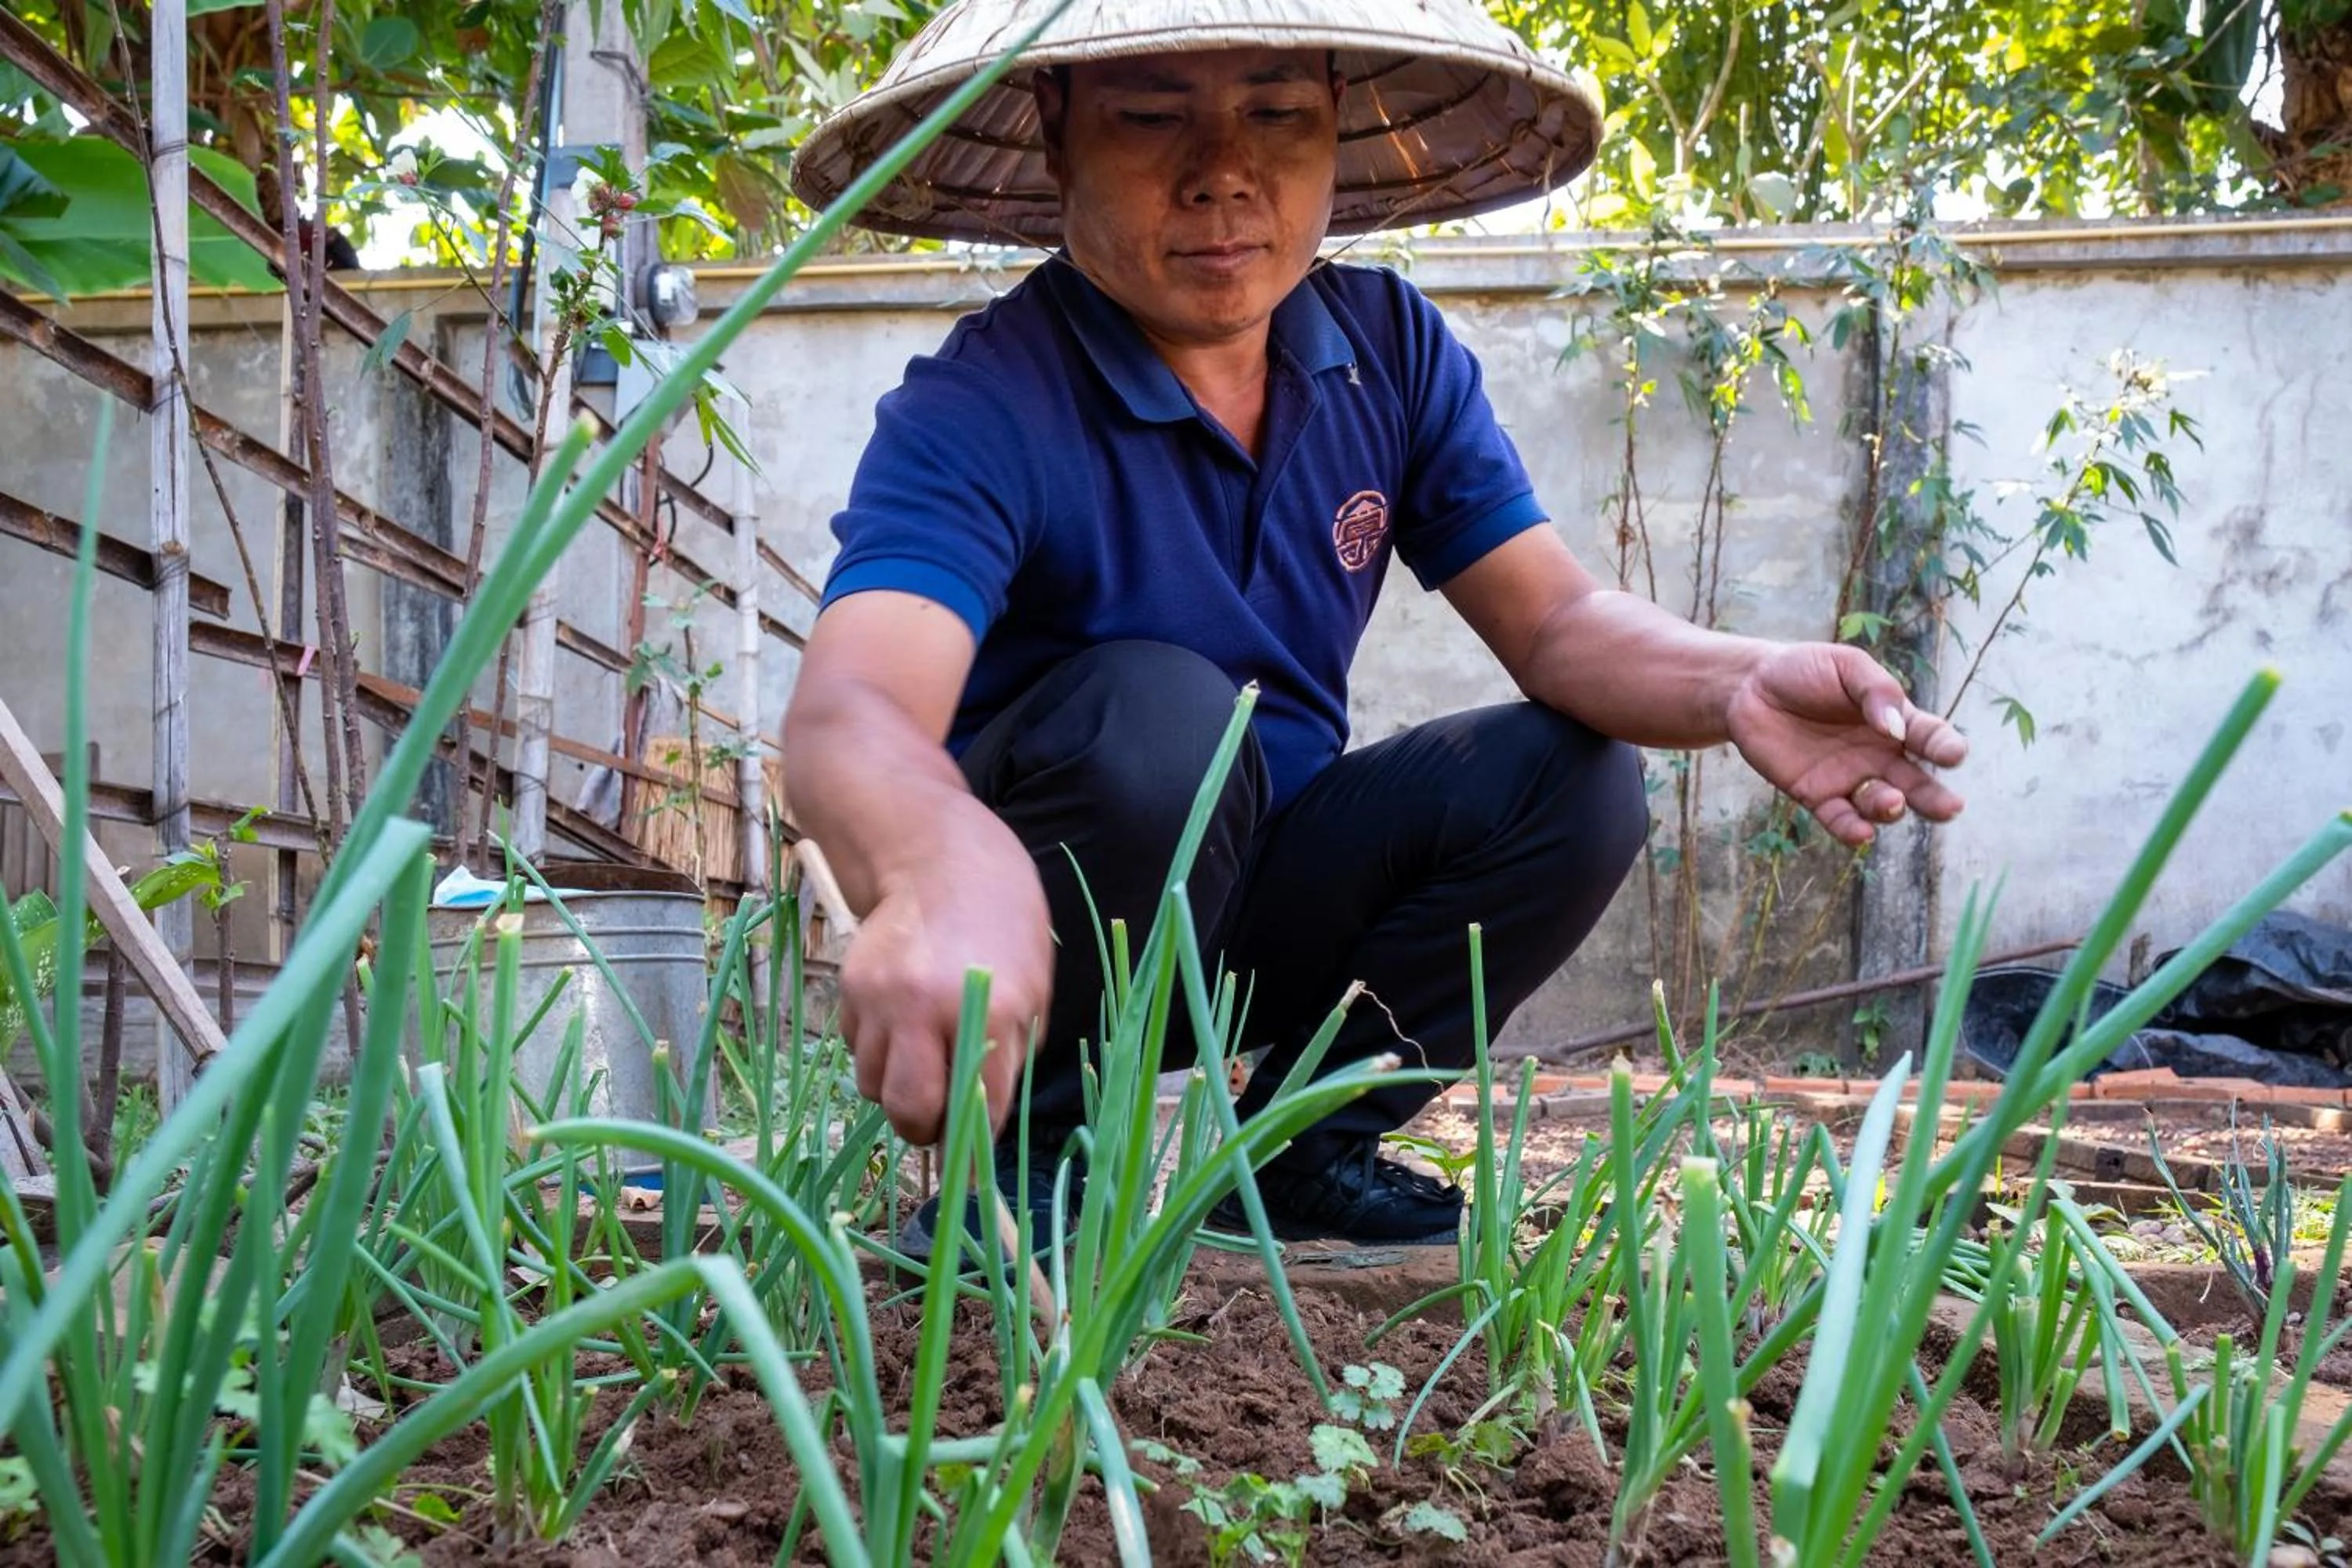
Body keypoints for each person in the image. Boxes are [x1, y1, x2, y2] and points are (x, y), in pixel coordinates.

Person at [782, 1, 1969, 1250]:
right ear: (1057, 134)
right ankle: (1034, 1166)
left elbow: (1558, 622)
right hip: (1044, 933)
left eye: (1279, 113)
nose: (1224, 174)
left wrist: (1741, 682)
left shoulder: (1384, 350)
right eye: (1150, 114)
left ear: (1337, 129)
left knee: (1572, 776)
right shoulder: (986, 402)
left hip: (1269, 896)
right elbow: (855, 710)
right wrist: (937, 866)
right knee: (1166, 719)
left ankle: (1302, 1148)